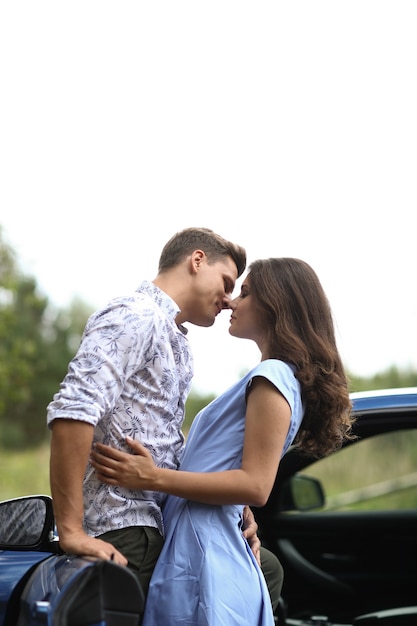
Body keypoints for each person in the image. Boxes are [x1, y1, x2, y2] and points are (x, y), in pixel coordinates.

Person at [91, 257, 355, 626]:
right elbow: (233, 471)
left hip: (206, 550)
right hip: (199, 540)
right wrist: (237, 506)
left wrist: (152, 478)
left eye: (244, 293)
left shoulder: (272, 376)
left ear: (275, 304)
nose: (231, 301)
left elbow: (255, 485)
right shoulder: (274, 377)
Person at [47, 227, 280, 605]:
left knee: (264, 568)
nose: (228, 299)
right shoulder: (134, 314)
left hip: (165, 524)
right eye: (226, 282)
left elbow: (169, 445)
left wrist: (234, 505)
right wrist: (71, 530)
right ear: (197, 260)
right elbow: (73, 410)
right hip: (126, 531)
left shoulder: (177, 342)